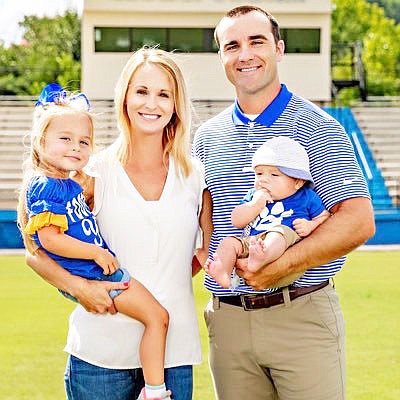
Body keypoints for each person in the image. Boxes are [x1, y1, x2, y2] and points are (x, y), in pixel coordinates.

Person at [193, 5, 375, 400]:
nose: (245, 54)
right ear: (221, 57)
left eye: (256, 41)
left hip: (301, 314)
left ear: (278, 48)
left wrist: (281, 266)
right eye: (232, 45)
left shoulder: (318, 127)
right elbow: (201, 230)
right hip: (229, 322)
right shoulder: (205, 138)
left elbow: (358, 220)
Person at [25, 47, 212, 400]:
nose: (151, 104)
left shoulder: (194, 176)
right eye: (141, 91)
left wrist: (172, 276)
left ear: (175, 104)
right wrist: (80, 288)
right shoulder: (89, 172)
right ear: (125, 97)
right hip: (100, 357)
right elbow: (35, 252)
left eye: (163, 94)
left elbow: (204, 249)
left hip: (172, 357)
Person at [17, 82, 173, 400]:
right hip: (96, 275)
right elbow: (49, 240)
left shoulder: (66, 183)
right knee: (157, 317)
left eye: (84, 141)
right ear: (40, 140)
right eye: (65, 139)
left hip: (95, 272)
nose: (76, 147)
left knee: (157, 317)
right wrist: (96, 252)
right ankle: (155, 392)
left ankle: (153, 388)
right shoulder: (46, 186)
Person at [204, 136, 330, 289]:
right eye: (259, 174)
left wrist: (311, 225)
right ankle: (223, 271)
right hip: (253, 242)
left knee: (278, 233)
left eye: (274, 175)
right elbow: (237, 221)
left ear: (298, 181)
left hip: (286, 247)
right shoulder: (254, 195)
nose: (263, 180)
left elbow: (325, 217)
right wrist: (254, 205)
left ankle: (259, 260)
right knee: (229, 242)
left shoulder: (306, 196)